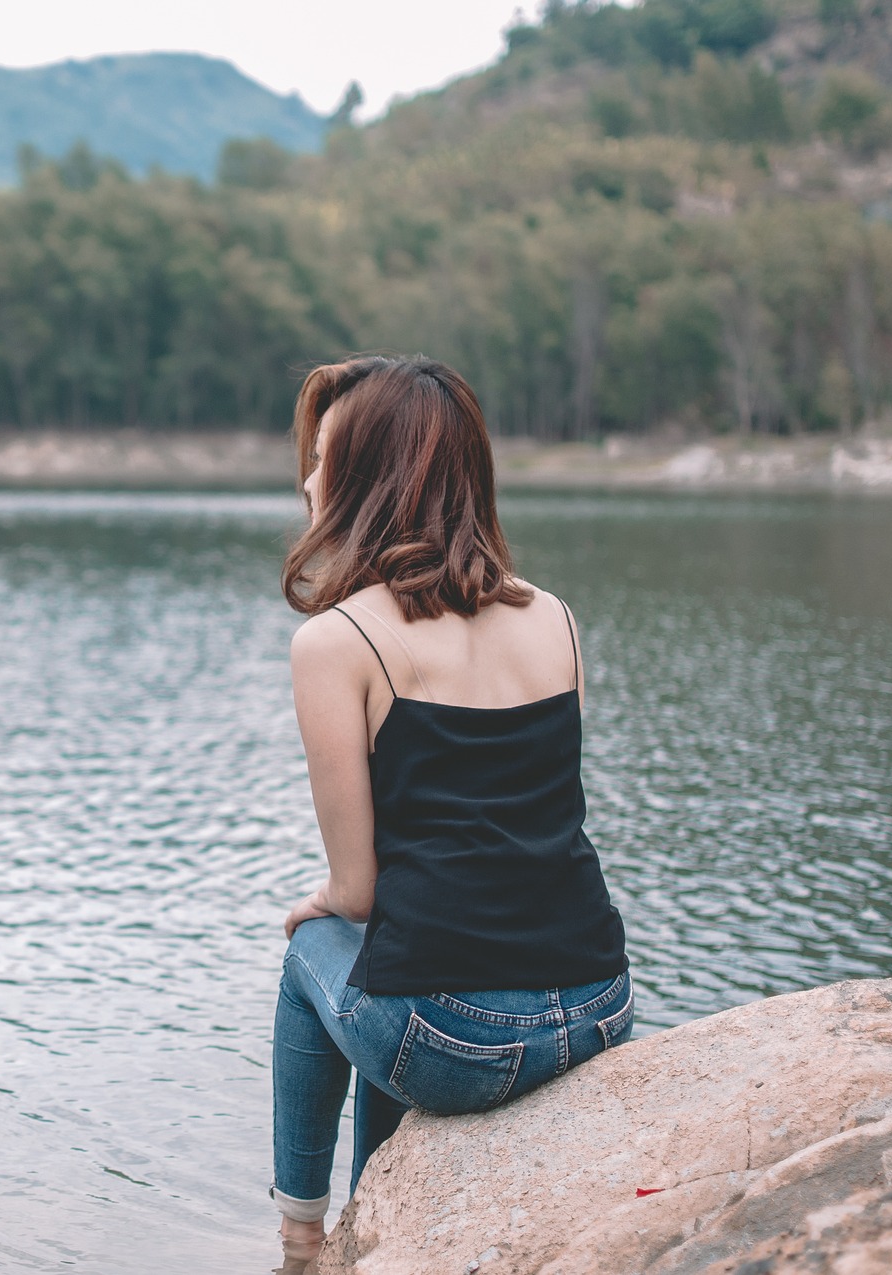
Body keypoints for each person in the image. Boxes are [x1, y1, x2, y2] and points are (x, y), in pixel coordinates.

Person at [269, 355, 632, 1271]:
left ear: (368, 480)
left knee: (312, 956)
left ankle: (306, 1241)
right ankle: (372, 1213)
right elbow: (532, 826)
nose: (307, 479)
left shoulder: (337, 641)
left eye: (323, 458)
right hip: (597, 1004)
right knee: (404, 955)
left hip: (464, 1043)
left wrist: (321, 906)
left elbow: (357, 892)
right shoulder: (557, 615)